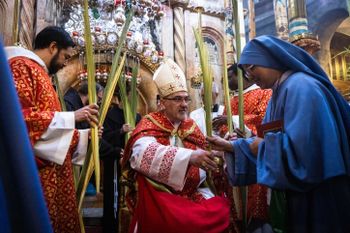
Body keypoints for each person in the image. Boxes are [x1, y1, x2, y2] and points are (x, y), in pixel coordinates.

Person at [207, 35, 350, 233]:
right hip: (299, 193)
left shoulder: (301, 87)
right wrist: (232, 147)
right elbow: (268, 140)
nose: (249, 76)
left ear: (269, 58)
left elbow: (308, 153)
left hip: (319, 193)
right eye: (245, 71)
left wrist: (263, 147)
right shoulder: (279, 91)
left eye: (252, 67)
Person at [6, 26, 100, 233]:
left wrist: (84, 137)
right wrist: (73, 116)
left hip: (50, 175)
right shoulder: (21, 66)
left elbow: (49, 132)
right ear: (53, 47)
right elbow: (20, 122)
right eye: (65, 56)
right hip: (34, 177)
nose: (66, 63)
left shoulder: (39, 72)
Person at [121, 58, 230, 233]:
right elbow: (142, 154)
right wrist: (189, 157)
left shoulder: (191, 127)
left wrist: (223, 152)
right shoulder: (150, 124)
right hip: (161, 197)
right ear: (162, 102)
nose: (184, 104)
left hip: (193, 193)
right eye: (177, 99)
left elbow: (208, 159)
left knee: (223, 211)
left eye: (186, 99)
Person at [213, 64, 272, 233]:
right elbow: (223, 127)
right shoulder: (231, 100)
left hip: (255, 156)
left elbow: (262, 119)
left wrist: (233, 120)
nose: (226, 81)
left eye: (230, 77)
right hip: (234, 158)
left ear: (243, 75)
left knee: (256, 209)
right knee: (237, 208)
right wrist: (227, 133)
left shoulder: (263, 92)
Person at [99, 90, 141, 233]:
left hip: (133, 165)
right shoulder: (109, 115)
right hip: (115, 162)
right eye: (128, 97)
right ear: (121, 98)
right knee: (114, 196)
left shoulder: (138, 116)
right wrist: (120, 131)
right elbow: (102, 138)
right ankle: (112, 225)